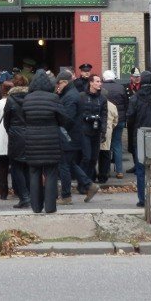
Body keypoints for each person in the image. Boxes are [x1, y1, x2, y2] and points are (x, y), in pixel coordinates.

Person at [22, 70, 68, 213]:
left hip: (32, 139)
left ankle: (36, 206)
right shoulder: (53, 98)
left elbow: (23, 118)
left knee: (34, 172)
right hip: (51, 140)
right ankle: (50, 207)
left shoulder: (27, 99)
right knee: (51, 173)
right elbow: (63, 119)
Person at [55, 69, 99, 204]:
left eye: (59, 84)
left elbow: (67, 119)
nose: (58, 87)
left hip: (68, 137)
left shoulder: (70, 97)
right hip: (72, 136)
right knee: (70, 163)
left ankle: (66, 196)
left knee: (64, 165)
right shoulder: (71, 94)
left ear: (64, 82)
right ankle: (89, 185)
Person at [3, 73, 31, 209]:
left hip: (16, 135)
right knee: (29, 166)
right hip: (30, 133)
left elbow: (6, 120)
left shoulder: (11, 99)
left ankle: (24, 197)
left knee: (17, 167)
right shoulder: (31, 98)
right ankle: (31, 195)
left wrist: (12, 131)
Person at [127, 70, 151, 207]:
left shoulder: (135, 98)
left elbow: (130, 118)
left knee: (140, 169)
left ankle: (142, 199)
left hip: (139, 134)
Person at [77, 73, 108, 183]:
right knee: (87, 157)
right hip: (84, 131)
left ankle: (89, 181)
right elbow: (78, 114)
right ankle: (82, 182)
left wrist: (103, 132)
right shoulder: (82, 96)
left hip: (96, 131)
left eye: (100, 81)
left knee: (94, 158)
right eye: (97, 81)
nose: (100, 84)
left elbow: (104, 116)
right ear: (91, 83)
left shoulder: (102, 98)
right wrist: (86, 117)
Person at [101, 70, 128, 179]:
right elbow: (126, 103)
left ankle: (106, 170)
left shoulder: (102, 87)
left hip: (107, 121)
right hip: (119, 120)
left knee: (106, 146)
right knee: (117, 144)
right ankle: (120, 171)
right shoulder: (121, 87)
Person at [0, 80, 14, 199]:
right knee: (16, 167)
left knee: (2, 169)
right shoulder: (16, 103)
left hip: (1, 136)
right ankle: (17, 190)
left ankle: (3, 192)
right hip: (14, 137)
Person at [98, 97, 118, 184]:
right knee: (105, 153)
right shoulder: (112, 105)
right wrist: (111, 127)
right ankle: (104, 175)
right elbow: (115, 120)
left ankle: (93, 174)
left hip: (96, 130)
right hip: (108, 130)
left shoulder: (96, 103)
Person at [126, 69, 142, 172]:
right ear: (131, 77)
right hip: (131, 119)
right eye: (135, 76)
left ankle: (140, 165)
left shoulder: (143, 88)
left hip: (141, 118)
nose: (137, 78)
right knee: (132, 143)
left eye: (138, 76)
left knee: (140, 143)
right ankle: (135, 164)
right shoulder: (126, 88)